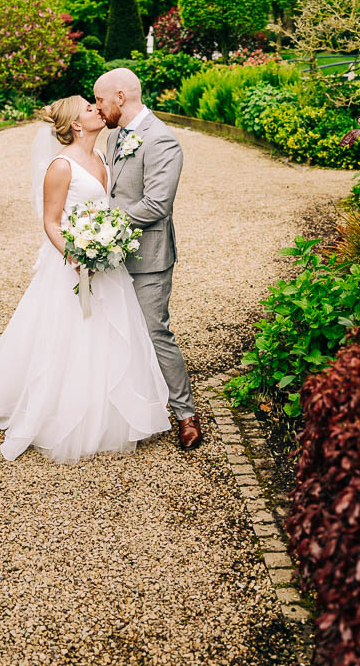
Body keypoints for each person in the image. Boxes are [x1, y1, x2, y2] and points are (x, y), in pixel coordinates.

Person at [0, 95, 172, 464]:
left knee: (110, 331)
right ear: (77, 124)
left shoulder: (103, 157)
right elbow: (51, 221)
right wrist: (76, 255)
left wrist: (106, 246)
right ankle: (64, 413)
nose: (97, 109)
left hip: (106, 262)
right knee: (69, 335)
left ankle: (111, 413)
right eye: (90, 109)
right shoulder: (61, 166)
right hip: (72, 265)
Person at [95, 68, 202, 450]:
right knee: (115, 329)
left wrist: (104, 226)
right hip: (111, 252)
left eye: (101, 100)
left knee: (155, 332)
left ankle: (186, 414)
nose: (98, 107)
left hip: (149, 256)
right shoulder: (113, 138)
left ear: (120, 97)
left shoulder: (162, 140)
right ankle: (130, 407)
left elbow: (157, 204)